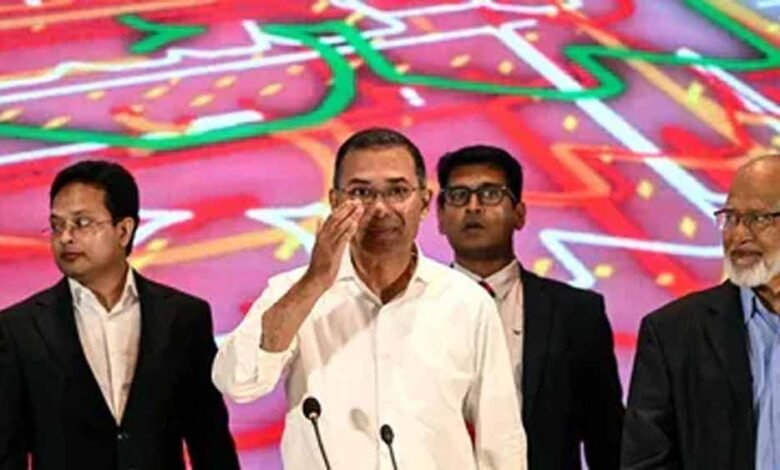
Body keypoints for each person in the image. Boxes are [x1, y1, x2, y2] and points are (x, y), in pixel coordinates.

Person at [212, 128, 527, 469]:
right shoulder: (293, 292)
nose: (379, 208)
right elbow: (237, 382)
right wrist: (315, 281)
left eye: (397, 191)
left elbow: (501, 440)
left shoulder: (467, 302)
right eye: (361, 192)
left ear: (424, 202)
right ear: (335, 202)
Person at [0, 161, 239, 470]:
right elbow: (7, 451)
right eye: (57, 226)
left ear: (124, 230)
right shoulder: (19, 329)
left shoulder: (183, 318)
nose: (65, 237)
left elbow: (210, 440)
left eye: (82, 223)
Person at [436, 145, 624, 470]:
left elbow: (606, 437)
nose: (473, 206)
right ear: (440, 217)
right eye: (458, 196)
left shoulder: (576, 314)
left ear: (520, 214)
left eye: (490, 194)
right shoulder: (409, 310)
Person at [622, 155, 780, 469]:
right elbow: (646, 461)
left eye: (758, 218)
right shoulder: (673, 333)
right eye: (731, 217)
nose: (738, 234)